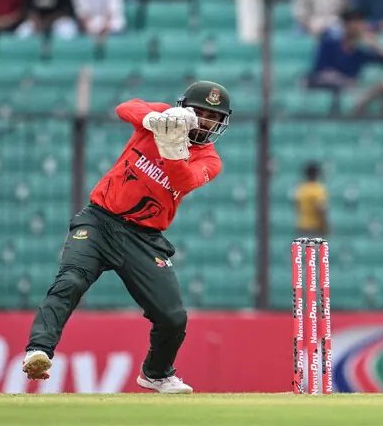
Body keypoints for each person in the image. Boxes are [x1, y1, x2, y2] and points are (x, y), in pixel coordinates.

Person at [21, 81, 232, 394]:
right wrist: (152, 121)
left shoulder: (210, 160)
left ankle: (157, 374)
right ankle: (38, 351)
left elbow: (183, 180)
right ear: (183, 108)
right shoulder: (162, 115)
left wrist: (172, 149)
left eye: (212, 116)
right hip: (99, 221)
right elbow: (126, 107)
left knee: (173, 318)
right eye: (198, 111)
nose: (203, 120)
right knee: (71, 280)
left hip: (145, 238)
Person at [295, 162, 329, 237]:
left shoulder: (301, 189)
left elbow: (297, 207)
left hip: (302, 227)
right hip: (315, 228)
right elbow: (322, 209)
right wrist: (326, 226)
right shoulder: (318, 189)